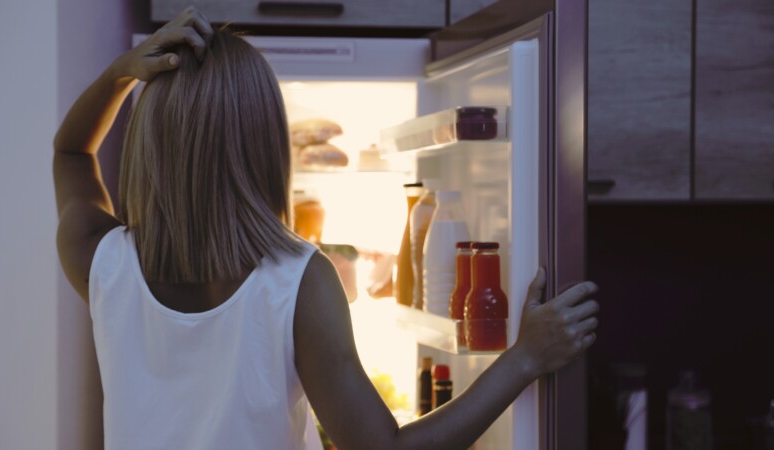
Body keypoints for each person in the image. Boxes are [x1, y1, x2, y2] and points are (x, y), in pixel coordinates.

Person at [54, 7, 599, 450]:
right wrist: (524, 358)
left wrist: (123, 70)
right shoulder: (297, 282)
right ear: (266, 145)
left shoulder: (100, 260)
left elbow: (72, 152)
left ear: (151, 144)